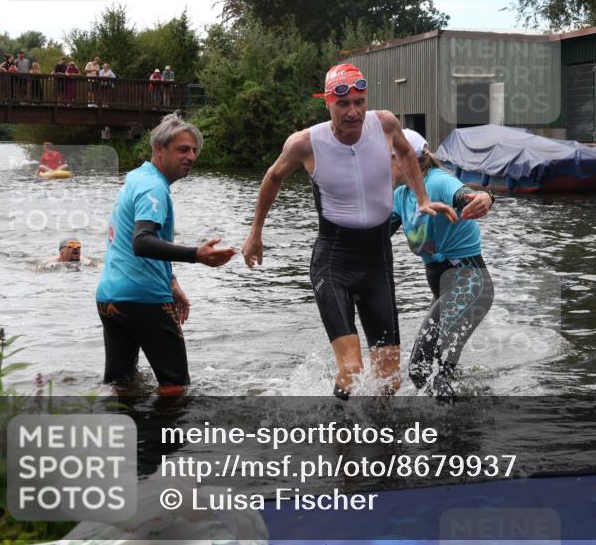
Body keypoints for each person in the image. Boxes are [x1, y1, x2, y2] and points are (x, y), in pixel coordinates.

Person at [242, 63, 456, 399]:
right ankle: (339, 429)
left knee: (390, 380)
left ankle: (383, 443)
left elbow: (404, 151)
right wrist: (256, 232)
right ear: (328, 103)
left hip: (377, 262)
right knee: (353, 368)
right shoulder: (305, 143)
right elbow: (273, 177)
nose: (353, 112)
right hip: (333, 260)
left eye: (359, 102)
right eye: (343, 104)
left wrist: (422, 197)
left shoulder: (384, 123)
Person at [96, 113, 236, 394]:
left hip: (110, 298)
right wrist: (196, 254)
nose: (191, 156)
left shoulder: (136, 177)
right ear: (159, 149)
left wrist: (171, 282)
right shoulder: (154, 187)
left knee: (122, 386)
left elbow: (127, 242)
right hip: (144, 299)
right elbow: (142, 241)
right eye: (182, 149)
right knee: (175, 388)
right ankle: (164, 438)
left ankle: (130, 436)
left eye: (194, 150)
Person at [389, 129, 495, 399]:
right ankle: (461, 417)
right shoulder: (402, 195)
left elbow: (465, 195)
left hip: (469, 283)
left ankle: (449, 431)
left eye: (387, 159)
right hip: (445, 289)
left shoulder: (437, 182)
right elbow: (375, 235)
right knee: (424, 372)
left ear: (406, 160)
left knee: (426, 370)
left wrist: (486, 198)